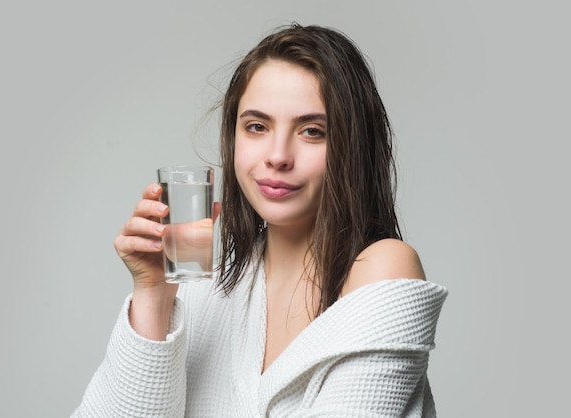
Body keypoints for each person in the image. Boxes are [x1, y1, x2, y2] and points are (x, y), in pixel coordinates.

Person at [72, 23, 447, 417]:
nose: (278, 155)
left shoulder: (384, 268)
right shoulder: (204, 289)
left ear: (352, 147)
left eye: (312, 131)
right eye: (257, 126)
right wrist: (153, 297)